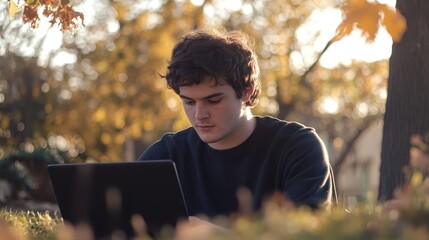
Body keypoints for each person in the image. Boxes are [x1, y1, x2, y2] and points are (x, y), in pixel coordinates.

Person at [138, 28, 336, 220]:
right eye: (189, 102)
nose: (199, 114)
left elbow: (307, 233)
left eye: (213, 100)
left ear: (247, 91)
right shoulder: (165, 157)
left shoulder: (297, 147)